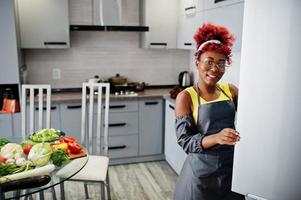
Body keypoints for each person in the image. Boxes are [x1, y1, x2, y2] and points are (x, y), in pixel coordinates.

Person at [173, 23, 245, 200]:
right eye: (209, 62)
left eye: (221, 63)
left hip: (230, 169)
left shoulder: (231, 91)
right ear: (197, 62)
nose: (215, 68)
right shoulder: (186, 97)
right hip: (201, 174)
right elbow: (185, 141)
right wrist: (216, 137)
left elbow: (252, 119)